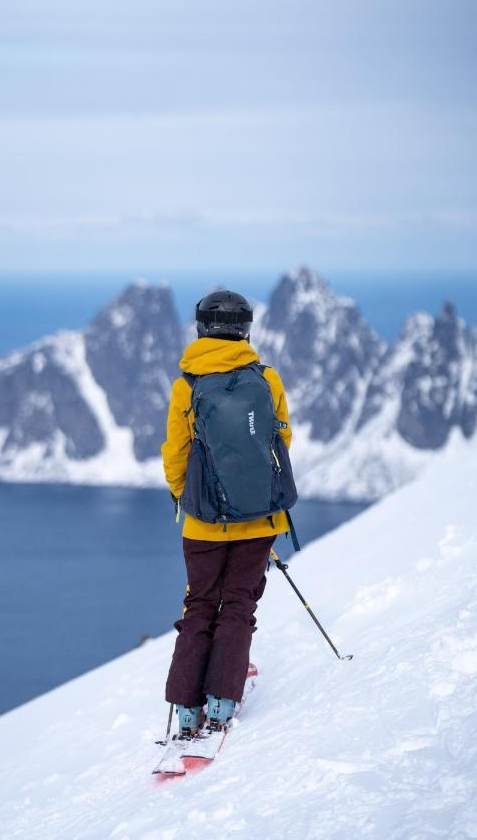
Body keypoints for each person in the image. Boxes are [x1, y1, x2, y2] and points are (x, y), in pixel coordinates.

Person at [161, 289, 293, 736]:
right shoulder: (267, 379)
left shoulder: (187, 385)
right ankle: (221, 703)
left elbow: (175, 452)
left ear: (201, 327)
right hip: (258, 520)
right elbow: (280, 442)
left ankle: (185, 710)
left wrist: (188, 498)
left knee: (199, 605)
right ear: (245, 329)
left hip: (203, 525)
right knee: (238, 605)